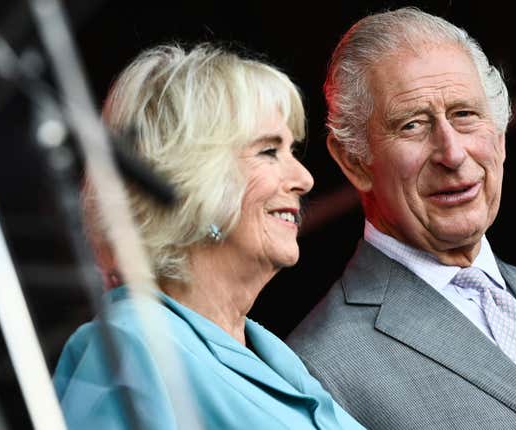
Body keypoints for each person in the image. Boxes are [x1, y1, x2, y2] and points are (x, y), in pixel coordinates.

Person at [287, 7, 516, 430]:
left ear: (500, 136)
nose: (452, 153)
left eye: (465, 114)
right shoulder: (319, 372)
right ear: (354, 161)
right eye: (413, 125)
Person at [53, 43, 366, 430]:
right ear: (189, 180)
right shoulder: (129, 348)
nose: (304, 179)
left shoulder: (276, 358)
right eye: (269, 151)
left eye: (291, 150)